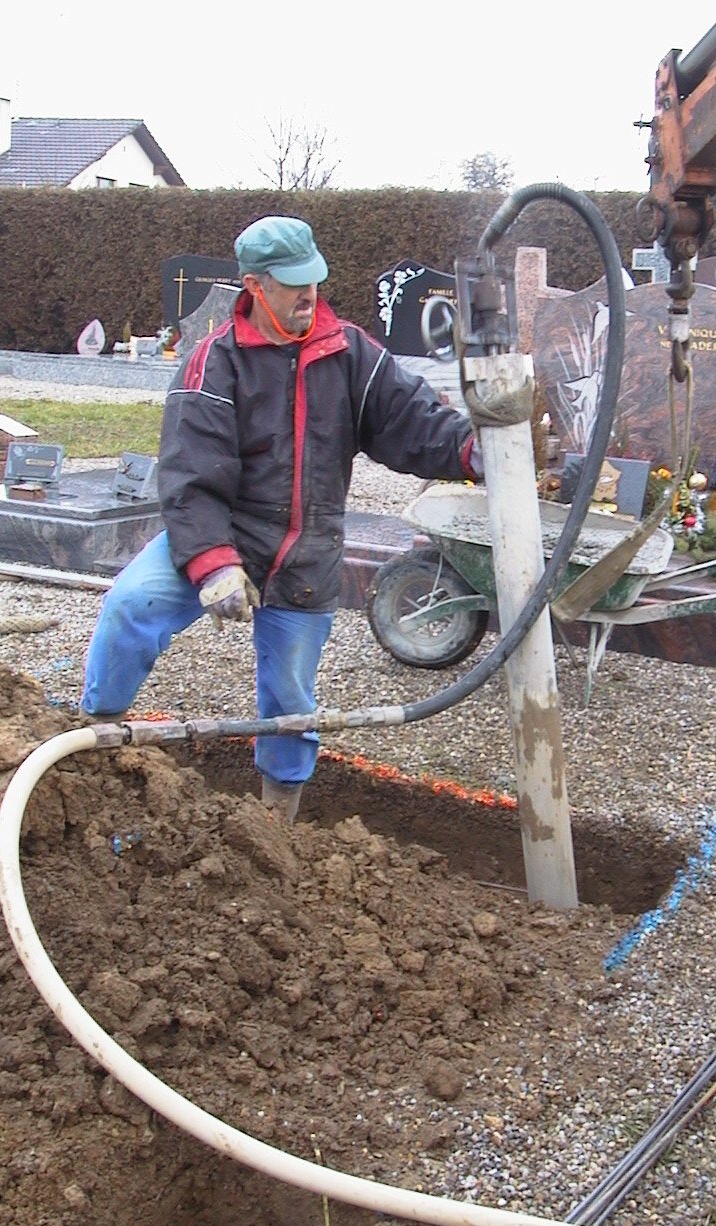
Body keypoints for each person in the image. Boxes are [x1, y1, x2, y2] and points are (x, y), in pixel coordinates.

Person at [80, 215, 482, 821]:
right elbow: (190, 478)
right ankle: (94, 740)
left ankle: (275, 826)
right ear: (254, 285)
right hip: (224, 534)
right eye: (293, 284)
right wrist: (214, 565)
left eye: (314, 280)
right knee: (131, 606)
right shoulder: (215, 364)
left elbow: (414, 420)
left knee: (290, 698)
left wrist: (477, 451)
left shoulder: (349, 354)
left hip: (306, 553)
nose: (308, 295)